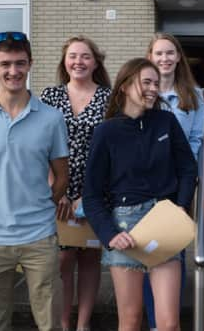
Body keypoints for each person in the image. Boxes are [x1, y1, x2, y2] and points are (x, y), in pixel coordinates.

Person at [0, 31, 69, 331]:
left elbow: (62, 176)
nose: (13, 71)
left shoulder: (51, 118)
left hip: (39, 236)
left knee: (50, 322)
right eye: (5, 63)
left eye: (20, 63)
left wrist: (44, 206)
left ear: (30, 64)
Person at [82, 58, 197, 331]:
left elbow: (188, 169)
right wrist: (109, 234)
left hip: (163, 222)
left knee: (169, 324)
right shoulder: (106, 132)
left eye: (156, 84)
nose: (153, 89)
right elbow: (92, 194)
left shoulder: (166, 121)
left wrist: (180, 207)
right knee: (130, 320)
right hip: (125, 228)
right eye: (146, 82)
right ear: (124, 86)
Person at [41, 35, 111, 331]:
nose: (78, 62)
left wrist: (89, 196)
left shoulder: (109, 98)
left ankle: (83, 325)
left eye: (85, 56)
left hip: (95, 190)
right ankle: (63, 322)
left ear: (95, 62)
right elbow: (39, 146)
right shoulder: (50, 97)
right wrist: (56, 191)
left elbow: (113, 150)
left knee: (90, 257)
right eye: (73, 56)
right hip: (57, 190)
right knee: (64, 260)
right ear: (64, 61)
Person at [144, 32, 204, 330]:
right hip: (143, 184)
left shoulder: (192, 95)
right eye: (159, 54)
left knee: (172, 251)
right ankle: (154, 320)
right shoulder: (141, 94)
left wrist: (184, 168)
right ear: (150, 58)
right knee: (144, 252)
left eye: (170, 53)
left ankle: (168, 321)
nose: (164, 59)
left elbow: (196, 138)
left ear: (178, 56)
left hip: (175, 183)